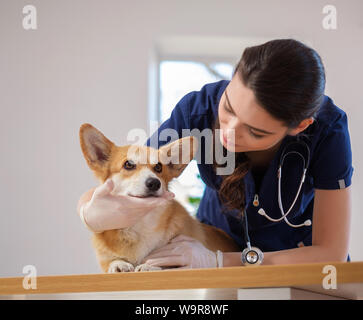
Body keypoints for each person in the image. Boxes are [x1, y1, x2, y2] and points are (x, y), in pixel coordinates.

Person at [77, 39, 353, 268]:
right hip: (215, 242)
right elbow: (132, 177)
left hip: (298, 261)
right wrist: (90, 213)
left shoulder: (328, 131)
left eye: (255, 131)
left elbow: (331, 253)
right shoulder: (197, 111)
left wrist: (220, 261)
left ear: (301, 126)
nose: (230, 133)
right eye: (229, 108)